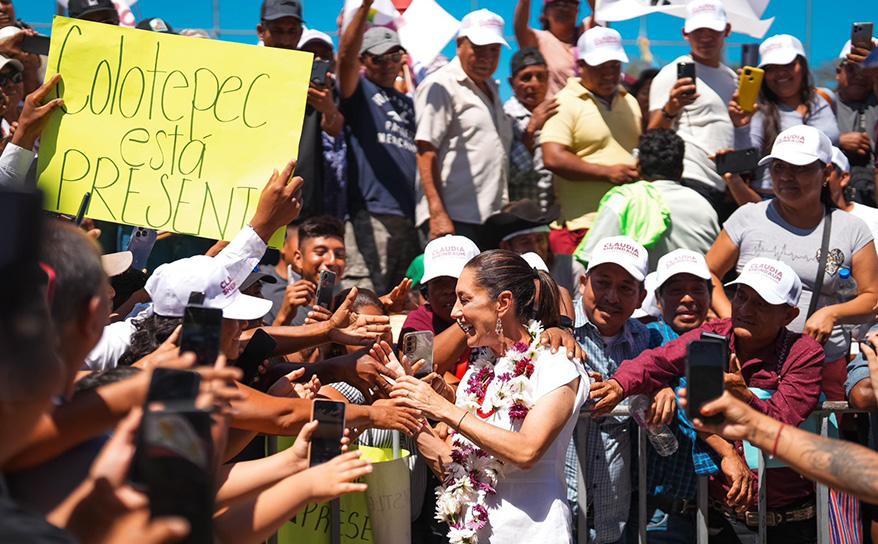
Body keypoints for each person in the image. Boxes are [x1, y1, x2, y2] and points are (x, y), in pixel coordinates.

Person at [592, 257, 826, 543]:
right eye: (741, 296)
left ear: (789, 315)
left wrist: (745, 398)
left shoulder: (804, 353)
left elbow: (781, 422)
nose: (745, 309)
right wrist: (618, 385)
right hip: (719, 520)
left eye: (761, 303)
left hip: (789, 521)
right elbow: (657, 362)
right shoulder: (713, 336)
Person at [391, 249, 589, 543]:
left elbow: (527, 451)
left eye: (465, 299)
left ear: (503, 303)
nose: (455, 312)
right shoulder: (481, 370)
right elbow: (453, 460)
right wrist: (414, 402)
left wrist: (443, 408)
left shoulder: (556, 363)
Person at [707, 125, 878, 400]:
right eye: (778, 167)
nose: (786, 177)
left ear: (826, 173)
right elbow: (709, 273)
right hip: (749, 365)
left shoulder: (852, 229)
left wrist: (833, 314)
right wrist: (733, 318)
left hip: (821, 366)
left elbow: (873, 296)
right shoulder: (747, 217)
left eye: (800, 168)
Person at [642, 249, 752, 542]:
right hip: (661, 513)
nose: (688, 298)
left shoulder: (725, 342)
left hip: (714, 509)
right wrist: (726, 452)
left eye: (697, 289)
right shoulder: (648, 337)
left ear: (711, 295)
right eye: (676, 290)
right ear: (659, 298)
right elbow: (688, 407)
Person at [572, 235, 654, 543]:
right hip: (557, 506)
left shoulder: (647, 340)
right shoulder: (555, 331)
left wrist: (661, 391)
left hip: (613, 512)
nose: (612, 297)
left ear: (641, 296)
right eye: (602, 283)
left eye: (625, 288)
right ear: (583, 283)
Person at [337, 2, 419, 296]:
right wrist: (365, 7)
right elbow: (345, 58)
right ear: (363, 61)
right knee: (363, 298)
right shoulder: (358, 91)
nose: (387, 65)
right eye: (378, 59)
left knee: (402, 301)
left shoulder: (410, 103)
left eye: (394, 57)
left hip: (409, 219)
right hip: (371, 215)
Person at [414, 9, 513, 246]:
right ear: (460, 45)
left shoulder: (493, 89)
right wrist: (437, 213)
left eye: (494, 49)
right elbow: (425, 150)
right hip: (453, 218)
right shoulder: (440, 84)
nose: (487, 57)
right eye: (479, 48)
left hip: (490, 218)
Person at [541, 26, 641, 255]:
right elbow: (552, 157)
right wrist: (607, 172)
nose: (608, 74)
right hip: (581, 225)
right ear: (581, 65)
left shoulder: (630, 101)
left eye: (614, 66)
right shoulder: (564, 102)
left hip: (627, 224)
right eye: (600, 67)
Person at [574, 128, 720, 272]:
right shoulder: (705, 207)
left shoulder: (624, 199)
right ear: (681, 169)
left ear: (638, 166)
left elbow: (591, 259)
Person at [647, 0, 737, 220]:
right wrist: (671, 107)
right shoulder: (670, 73)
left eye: (712, 30)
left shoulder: (732, 78)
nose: (705, 38)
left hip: (724, 185)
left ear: (726, 30)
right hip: (688, 178)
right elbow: (652, 135)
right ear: (685, 33)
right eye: (698, 31)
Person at [257, 0, 341, 219]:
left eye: (292, 31)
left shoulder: (315, 79)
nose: (285, 40)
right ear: (261, 31)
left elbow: (335, 129)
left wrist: (328, 109)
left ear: (300, 33)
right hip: (246, 201)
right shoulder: (241, 73)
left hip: (299, 205)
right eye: (277, 31)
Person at [731, 34, 840, 198]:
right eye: (771, 68)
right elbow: (746, 163)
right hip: (774, 198)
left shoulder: (824, 99)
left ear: (802, 66)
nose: (780, 73)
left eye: (788, 65)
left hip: (822, 197)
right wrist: (741, 127)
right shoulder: (758, 109)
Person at [398, 235, 480, 380]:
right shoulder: (419, 319)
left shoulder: (500, 316)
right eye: (438, 282)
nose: (448, 290)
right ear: (426, 292)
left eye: (456, 279)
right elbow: (420, 367)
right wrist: (467, 320)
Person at [505, 48, 558, 211]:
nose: (534, 84)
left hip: (555, 214)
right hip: (521, 216)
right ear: (512, 83)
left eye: (540, 77)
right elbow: (511, 176)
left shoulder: (558, 111)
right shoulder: (506, 117)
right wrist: (531, 129)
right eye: (526, 78)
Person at [273, 215, 346, 327]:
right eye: (320, 252)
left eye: (339, 254)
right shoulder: (273, 300)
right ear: (299, 259)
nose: (332, 261)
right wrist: (284, 317)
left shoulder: (349, 306)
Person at [836, 38, 878, 206]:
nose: (859, 75)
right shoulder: (823, 104)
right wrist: (838, 140)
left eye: (865, 69)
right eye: (852, 68)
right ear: (838, 72)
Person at [513, 0, 581, 98]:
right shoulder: (539, 39)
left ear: (577, 10)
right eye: (558, 4)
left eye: (570, 3)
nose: (564, 8)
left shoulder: (587, 34)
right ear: (545, 12)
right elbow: (520, 27)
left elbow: (598, 11)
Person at [828, 145, 878, 240]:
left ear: (844, 178)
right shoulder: (801, 222)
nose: (817, 176)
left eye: (826, 171)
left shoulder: (873, 218)